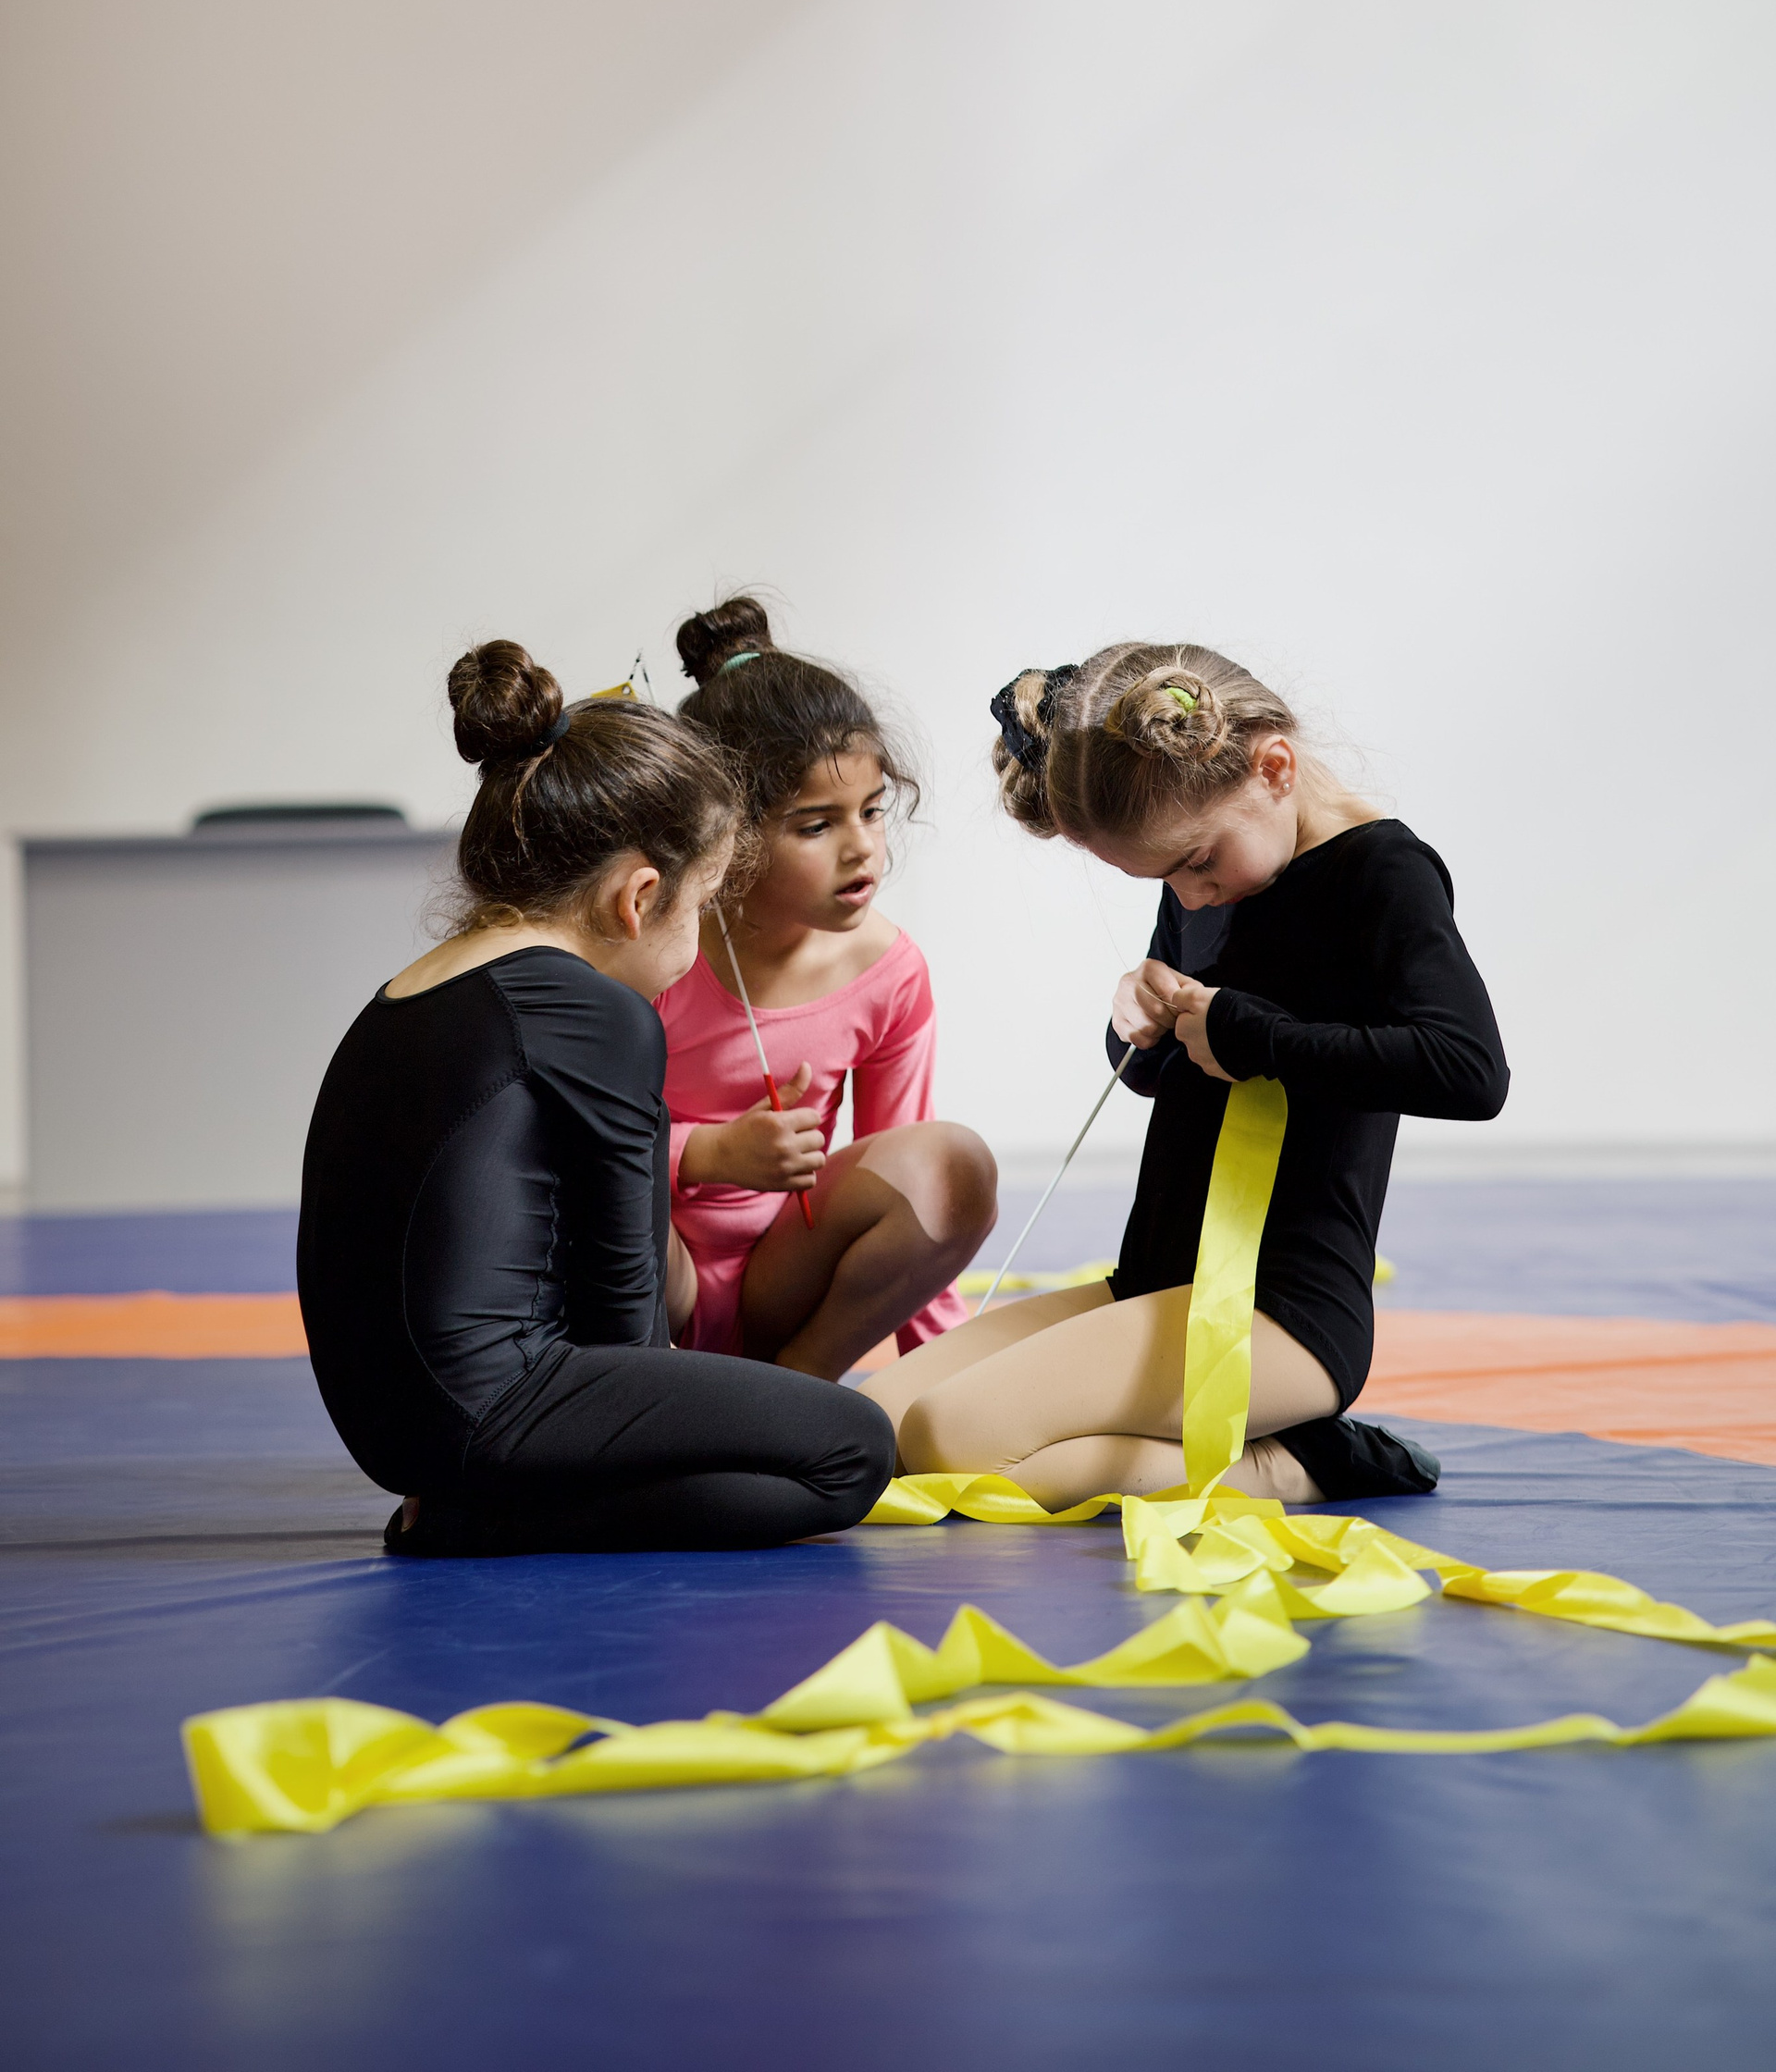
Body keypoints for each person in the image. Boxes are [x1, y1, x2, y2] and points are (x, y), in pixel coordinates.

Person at [862, 643, 1508, 1507]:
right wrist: (1137, 1021)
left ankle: (1307, 1460)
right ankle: (1207, 1432)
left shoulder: (1382, 873)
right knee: (879, 1426)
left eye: (1197, 862)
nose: (1192, 894)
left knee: (954, 1441)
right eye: (1165, 877)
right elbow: (1166, 1071)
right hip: (1158, 1279)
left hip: (1279, 1311)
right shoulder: (1211, 876)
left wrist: (1251, 1033)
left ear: (1273, 768)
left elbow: (1470, 1070)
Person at [297, 639, 894, 1555]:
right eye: (702, 903)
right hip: (494, 1414)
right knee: (852, 1449)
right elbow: (627, 1314)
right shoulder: (600, 1015)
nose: (698, 934)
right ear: (638, 897)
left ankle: (470, 1501)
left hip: (390, 1433)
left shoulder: (408, 993)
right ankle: (478, 1520)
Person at [660, 597, 997, 1380]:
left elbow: (909, 1178)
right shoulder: (658, 954)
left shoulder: (890, 972)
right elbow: (581, 1144)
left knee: (953, 1165)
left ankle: (799, 1390)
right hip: (649, 1276)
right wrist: (710, 1153)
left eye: (872, 812)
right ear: (727, 833)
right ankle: (651, 1391)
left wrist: (941, 1379)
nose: (862, 849)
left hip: (783, 1284)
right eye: (816, 825)